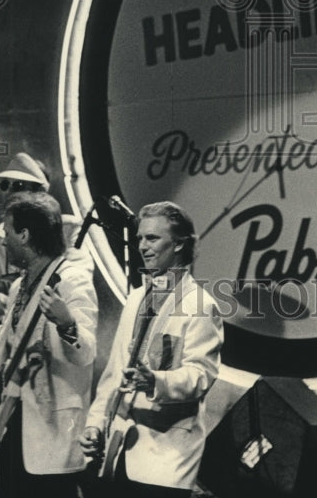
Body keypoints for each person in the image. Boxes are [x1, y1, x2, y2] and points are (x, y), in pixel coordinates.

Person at [81, 201, 223, 497]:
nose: (143, 246)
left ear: (180, 243)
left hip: (165, 461)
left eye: (153, 238)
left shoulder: (200, 304)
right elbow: (113, 372)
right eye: (140, 238)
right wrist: (95, 423)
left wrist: (154, 381)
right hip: (119, 452)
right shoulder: (135, 298)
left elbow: (201, 375)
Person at [0, 191, 98, 498]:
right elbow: (2, 339)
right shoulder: (20, 284)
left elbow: (86, 352)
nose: (3, 241)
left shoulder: (72, 280)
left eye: (7, 233)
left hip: (53, 431)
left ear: (25, 235)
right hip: (17, 424)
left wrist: (66, 324)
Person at [0, 152, 50, 308]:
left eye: (18, 186)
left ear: (39, 193)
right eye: (5, 185)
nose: (8, 192)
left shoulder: (67, 231)